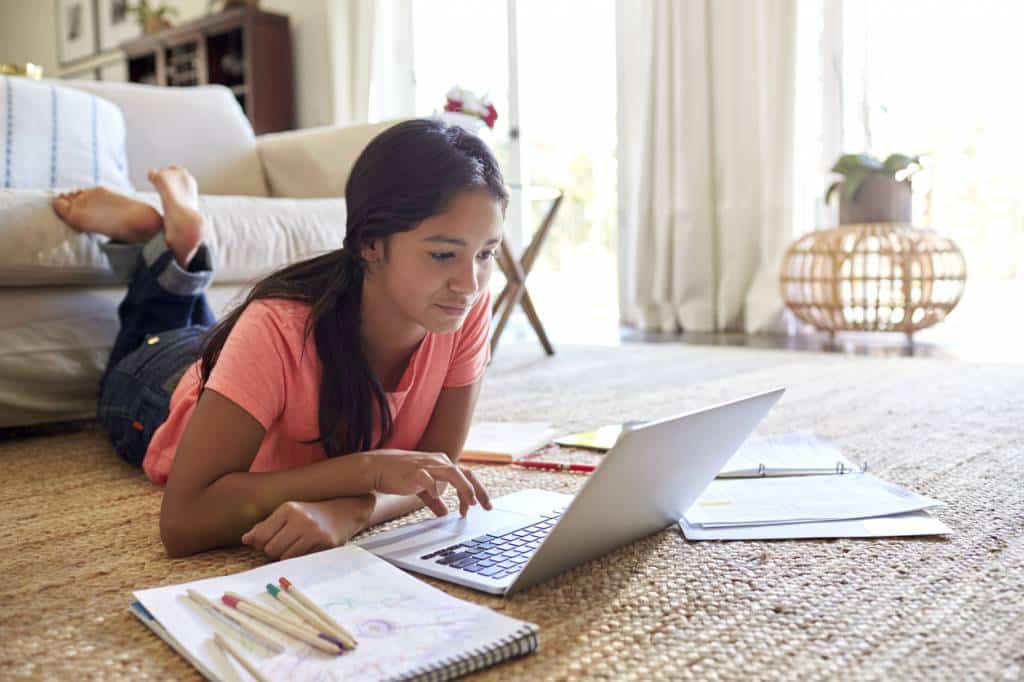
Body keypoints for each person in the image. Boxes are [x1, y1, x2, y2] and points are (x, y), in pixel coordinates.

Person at [51, 119, 505, 560]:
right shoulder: (276, 325)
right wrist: (365, 470)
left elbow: (435, 471)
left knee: (206, 328)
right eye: (443, 254)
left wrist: (352, 509)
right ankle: (166, 246)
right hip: (158, 386)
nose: (469, 282)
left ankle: (172, 246)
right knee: (155, 333)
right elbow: (183, 521)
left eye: (486, 253)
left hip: (236, 357)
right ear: (370, 244)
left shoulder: (464, 306)